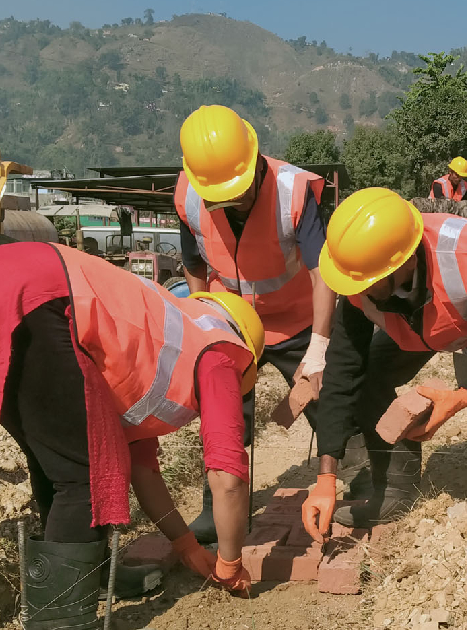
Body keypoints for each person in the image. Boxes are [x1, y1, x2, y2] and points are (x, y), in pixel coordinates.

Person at [0, 243, 257, 628]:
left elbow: (142, 471)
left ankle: (85, 581)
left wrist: (184, 546)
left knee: (59, 464)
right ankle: (59, 621)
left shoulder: (153, 336)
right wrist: (230, 565)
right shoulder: (217, 355)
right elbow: (228, 478)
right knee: (84, 477)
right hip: (29, 292)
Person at [299, 188, 467, 537]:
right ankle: (396, 487)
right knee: (369, 373)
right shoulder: (362, 275)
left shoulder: (465, 251)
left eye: (368, 283)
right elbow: (343, 371)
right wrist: (326, 477)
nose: (359, 290)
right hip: (432, 320)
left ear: (407, 261)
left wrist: (463, 396)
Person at [174, 105, 336, 543]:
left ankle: (343, 481)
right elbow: (193, 264)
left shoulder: (293, 192)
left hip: (294, 319)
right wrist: (201, 319)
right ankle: (217, 507)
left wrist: (318, 347)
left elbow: (325, 273)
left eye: (239, 192)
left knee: (325, 400)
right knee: (223, 414)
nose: (231, 202)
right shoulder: (191, 194)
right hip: (231, 321)